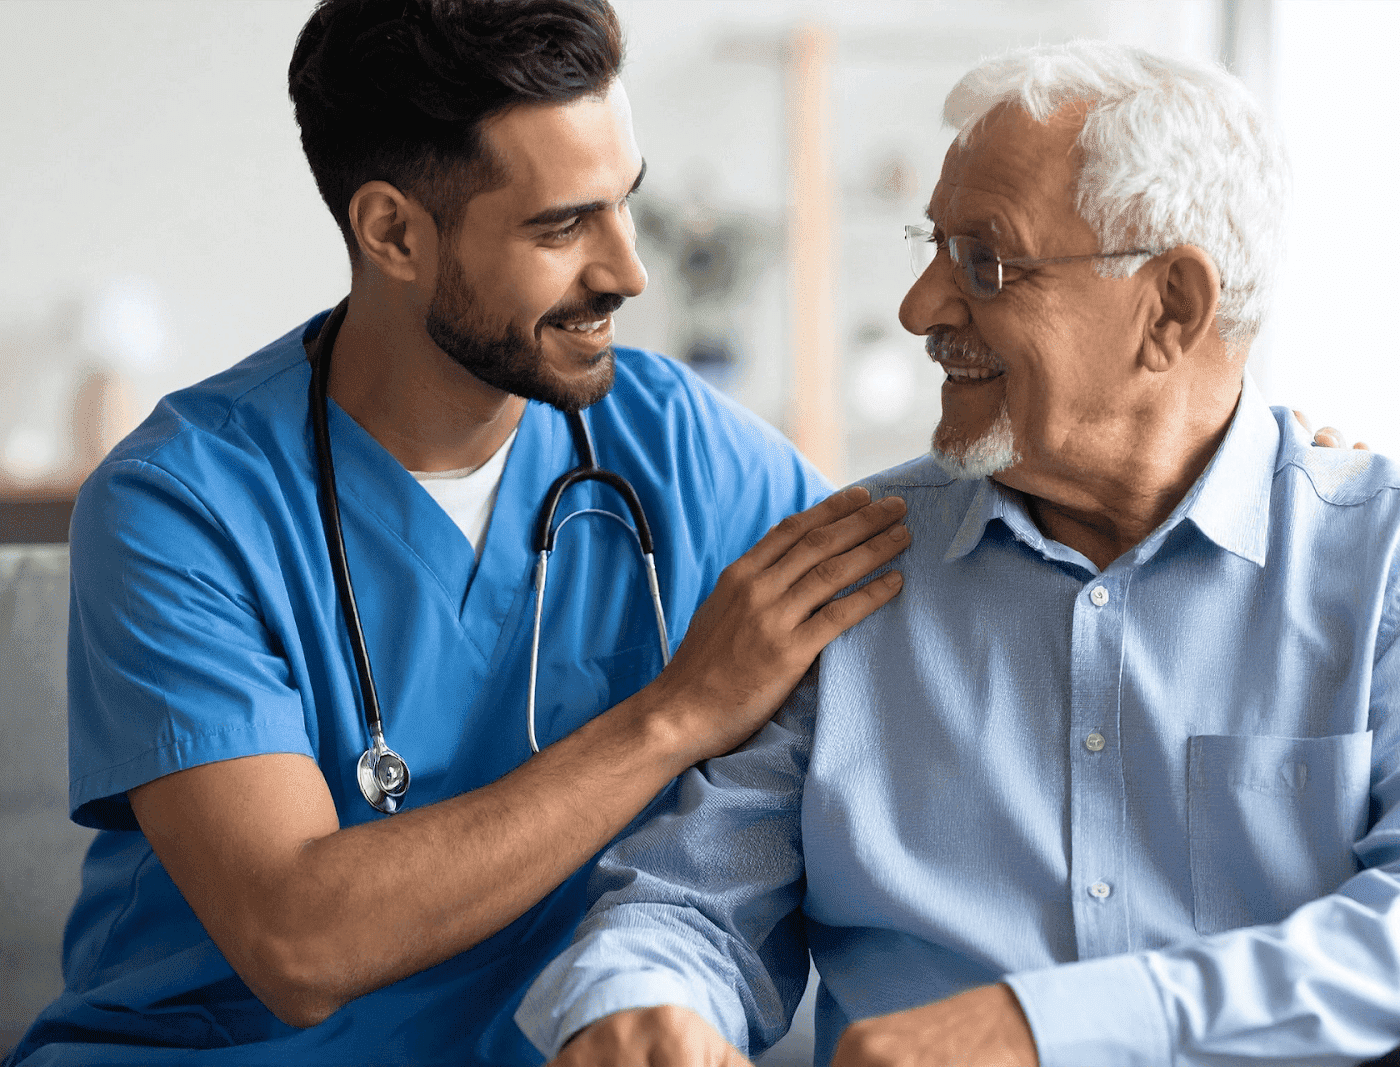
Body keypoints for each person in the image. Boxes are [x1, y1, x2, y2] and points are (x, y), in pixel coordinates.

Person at [518, 41, 1400, 1067]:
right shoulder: (854, 562)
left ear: (1170, 308)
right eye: (928, 247)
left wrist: (1042, 1028)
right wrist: (639, 996)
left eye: (984, 261)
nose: (920, 308)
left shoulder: (1396, 566)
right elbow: (696, 905)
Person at [3, 2, 916, 1064]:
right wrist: (675, 713)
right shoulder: (181, 505)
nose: (629, 270)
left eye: (627, 203)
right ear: (392, 231)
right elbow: (299, 940)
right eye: (562, 225)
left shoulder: (683, 451)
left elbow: (935, 633)